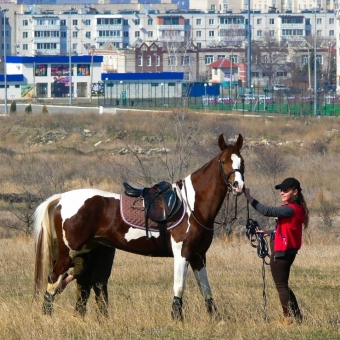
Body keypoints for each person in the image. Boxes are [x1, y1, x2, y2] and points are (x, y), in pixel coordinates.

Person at [244, 177, 309, 324]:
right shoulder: (297, 209)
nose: (282, 193)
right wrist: (271, 232)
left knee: (281, 286)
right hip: (289, 251)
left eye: (286, 190)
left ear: (295, 192)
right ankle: (297, 316)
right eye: (281, 190)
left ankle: (287, 318)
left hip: (282, 252)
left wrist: (249, 197)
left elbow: (267, 211)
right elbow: (289, 229)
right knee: (284, 284)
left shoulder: (289, 209)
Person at [60, 244, 115, 318]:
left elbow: (80, 266)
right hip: (85, 247)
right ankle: (79, 315)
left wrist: (65, 281)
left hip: (104, 246)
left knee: (98, 284)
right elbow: (80, 265)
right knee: (82, 285)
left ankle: (103, 318)